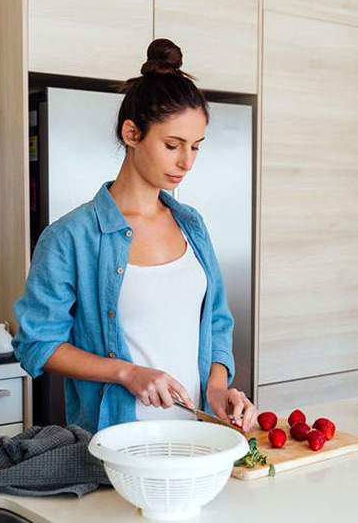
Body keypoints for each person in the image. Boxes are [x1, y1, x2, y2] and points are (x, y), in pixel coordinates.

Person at [13, 38, 257, 435]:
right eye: (172, 145)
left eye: (196, 147)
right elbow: (37, 345)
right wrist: (127, 373)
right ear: (132, 133)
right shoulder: (70, 237)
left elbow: (215, 322)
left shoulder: (191, 225)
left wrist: (216, 388)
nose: (186, 162)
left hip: (198, 438)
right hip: (118, 443)